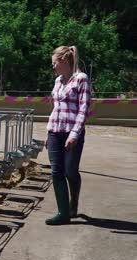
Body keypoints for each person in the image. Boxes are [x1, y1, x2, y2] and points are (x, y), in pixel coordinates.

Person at [45, 45, 92, 225]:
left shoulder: (81, 79)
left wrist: (74, 134)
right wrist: (49, 133)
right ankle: (63, 213)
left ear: (64, 61)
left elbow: (83, 109)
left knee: (70, 171)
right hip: (55, 131)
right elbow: (56, 108)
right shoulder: (58, 81)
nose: (53, 67)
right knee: (57, 172)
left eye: (54, 63)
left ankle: (73, 205)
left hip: (72, 133)